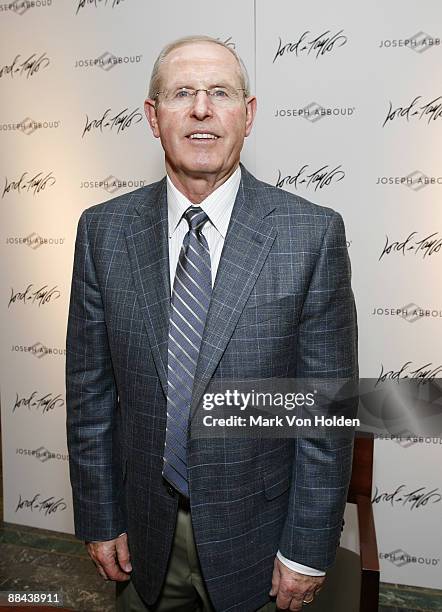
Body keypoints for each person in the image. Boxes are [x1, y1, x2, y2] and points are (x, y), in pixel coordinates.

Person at [66, 35, 358, 612]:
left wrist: (306, 549)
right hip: (144, 537)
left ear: (247, 115)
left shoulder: (311, 234)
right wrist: (100, 516)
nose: (201, 109)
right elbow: (90, 396)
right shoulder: (104, 232)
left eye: (220, 93)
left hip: (263, 541)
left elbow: (326, 413)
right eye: (181, 94)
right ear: (154, 117)